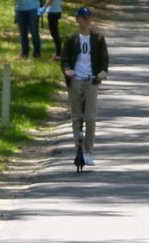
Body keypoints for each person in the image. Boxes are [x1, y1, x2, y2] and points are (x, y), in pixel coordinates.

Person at [60, 6, 109, 166]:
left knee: (90, 118)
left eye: (89, 17)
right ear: (77, 19)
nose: (87, 20)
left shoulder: (98, 39)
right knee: (76, 117)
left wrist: (102, 72)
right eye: (83, 17)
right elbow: (65, 58)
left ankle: (88, 151)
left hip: (91, 80)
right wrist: (67, 70)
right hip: (76, 80)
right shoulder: (71, 38)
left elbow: (104, 59)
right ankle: (78, 149)